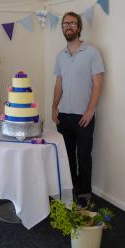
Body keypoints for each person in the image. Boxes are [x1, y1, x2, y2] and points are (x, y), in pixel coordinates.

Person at [52, 12, 104, 208]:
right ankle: (71, 189)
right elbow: (59, 83)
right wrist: (54, 107)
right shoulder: (60, 55)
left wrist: (90, 111)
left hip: (84, 116)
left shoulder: (92, 52)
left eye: (72, 23)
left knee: (83, 156)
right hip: (63, 115)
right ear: (63, 28)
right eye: (65, 23)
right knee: (66, 156)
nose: (68, 26)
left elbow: (98, 83)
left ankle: (84, 194)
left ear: (79, 27)